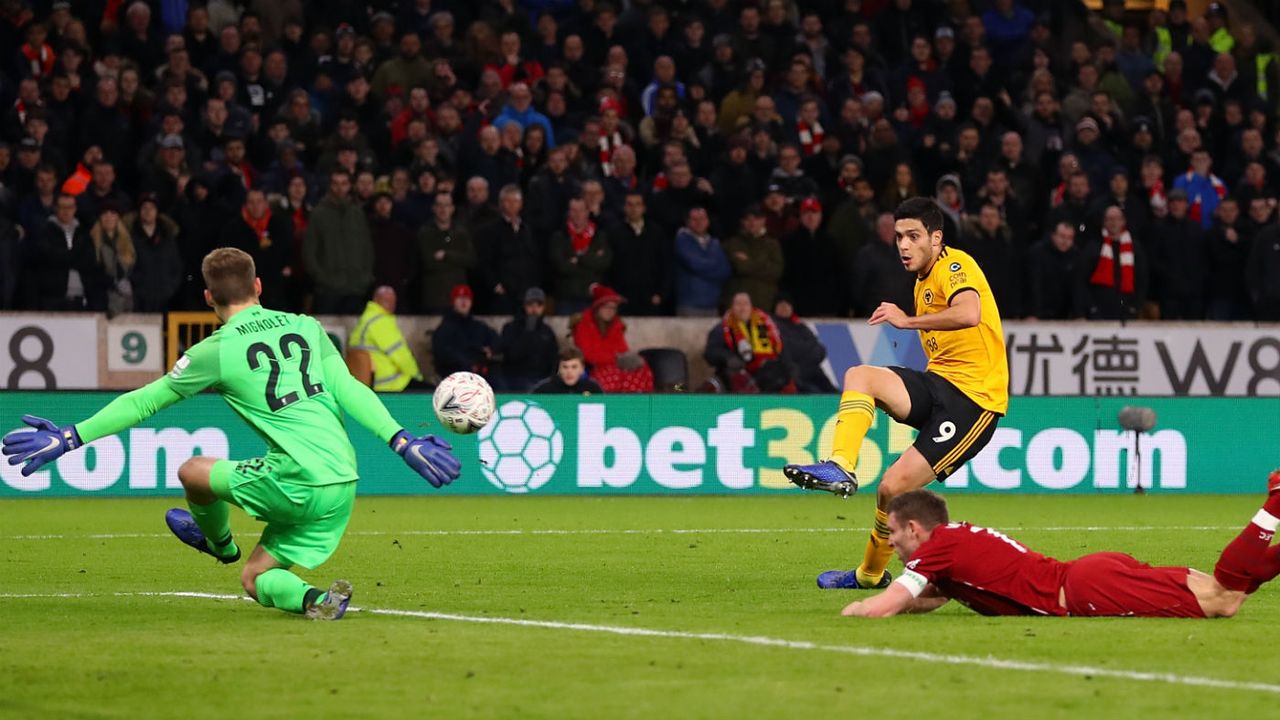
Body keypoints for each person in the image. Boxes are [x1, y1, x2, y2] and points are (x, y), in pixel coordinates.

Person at [1, 247, 461, 620]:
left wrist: (70, 437)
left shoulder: (214, 351)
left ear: (207, 298)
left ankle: (219, 544)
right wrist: (401, 439)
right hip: (342, 481)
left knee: (192, 471)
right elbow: (349, 389)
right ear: (258, 286)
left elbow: (143, 401)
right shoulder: (306, 326)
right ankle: (314, 600)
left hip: (295, 480)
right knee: (256, 578)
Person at [784, 197, 1009, 590]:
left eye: (913, 236)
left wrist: (907, 321)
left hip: (974, 403)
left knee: (891, 487)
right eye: (899, 236)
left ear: (936, 238)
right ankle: (840, 464)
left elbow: (969, 312)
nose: (903, 245)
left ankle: (869, 574)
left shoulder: (955, 265)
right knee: (860, 375)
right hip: (939, 383)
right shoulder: (922, 280)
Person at [840, 480, 1280, 620]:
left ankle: (1276, 498)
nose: (891, 542)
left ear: (915, 528)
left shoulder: (936, 550)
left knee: (1223, 597)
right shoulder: (954, 543)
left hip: (1087, 591)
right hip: (1092, 576)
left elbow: (895, 597)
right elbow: (930, 596)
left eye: (893, 533)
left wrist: (863, 607)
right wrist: (906, 604)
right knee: (1232, 595)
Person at [303, 170, 374, 315]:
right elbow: (309, 252)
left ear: (350, 186)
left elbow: (367, 249)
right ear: (330, 186)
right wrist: (323, 279)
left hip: (356, 289)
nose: (340, 188)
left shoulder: (357, 213)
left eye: (344, 183)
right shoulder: (319, 214)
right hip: (328, 291)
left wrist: (364, 278)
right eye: (335, 184)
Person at [704, 291, 793, 393]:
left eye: (746, 304)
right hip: (737, 371)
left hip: (764, 370)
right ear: (732, 307)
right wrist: (728, 357)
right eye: (738, 304)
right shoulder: (722, 329)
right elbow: (710, 353)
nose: (742, 308)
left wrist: (788, 366)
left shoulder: (766, 325)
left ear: (751, 307)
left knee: (781, 373)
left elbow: (780, 349)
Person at [572, 283, 654, 393]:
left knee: (641, 369)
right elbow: (587, 354)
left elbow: (622, 349)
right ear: (598, 307)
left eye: (614, 308)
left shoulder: (616, 324)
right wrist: (615, 358)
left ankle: (637, 405)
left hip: (614, 364)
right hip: (595, 367)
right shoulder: (583, 324)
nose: (610, 311)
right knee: (612, 375)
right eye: (607, 307)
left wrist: (628, 360)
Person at [349, 286, 424, 392]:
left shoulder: (367, 318)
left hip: (371, 384)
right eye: (386, 301)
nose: (391, 305)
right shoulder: (380, 322)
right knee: (430, 392)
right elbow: (401, 356)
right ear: (375, 299)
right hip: (390, 385)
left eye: (393, 301)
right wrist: (417, 376)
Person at [497, 287, 560, 391]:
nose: (534, 309)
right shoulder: (511, 328)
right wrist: (528, 333)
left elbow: (553, 360)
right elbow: (511, 355)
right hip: (514, 379)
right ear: (524, 306)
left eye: (539, 305)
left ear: (543, 307)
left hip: (541, 379)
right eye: (530, 304)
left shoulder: (547, 331)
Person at [431, 284, 499, 379]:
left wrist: (491, 350)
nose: (464, 302)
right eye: (460, 298)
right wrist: (468, 363)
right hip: (456, 376)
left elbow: (497, 340)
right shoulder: (445, 329)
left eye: (467, 298)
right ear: (453, 302)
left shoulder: (478, 326)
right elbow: (443, 355)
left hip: (481, 375)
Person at [532, 347, 603, 394]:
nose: (569, 371)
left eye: (574, 367)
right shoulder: (544, 390)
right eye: (565, 367)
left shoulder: (593, 388)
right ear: (559, 369)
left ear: (582, 369)